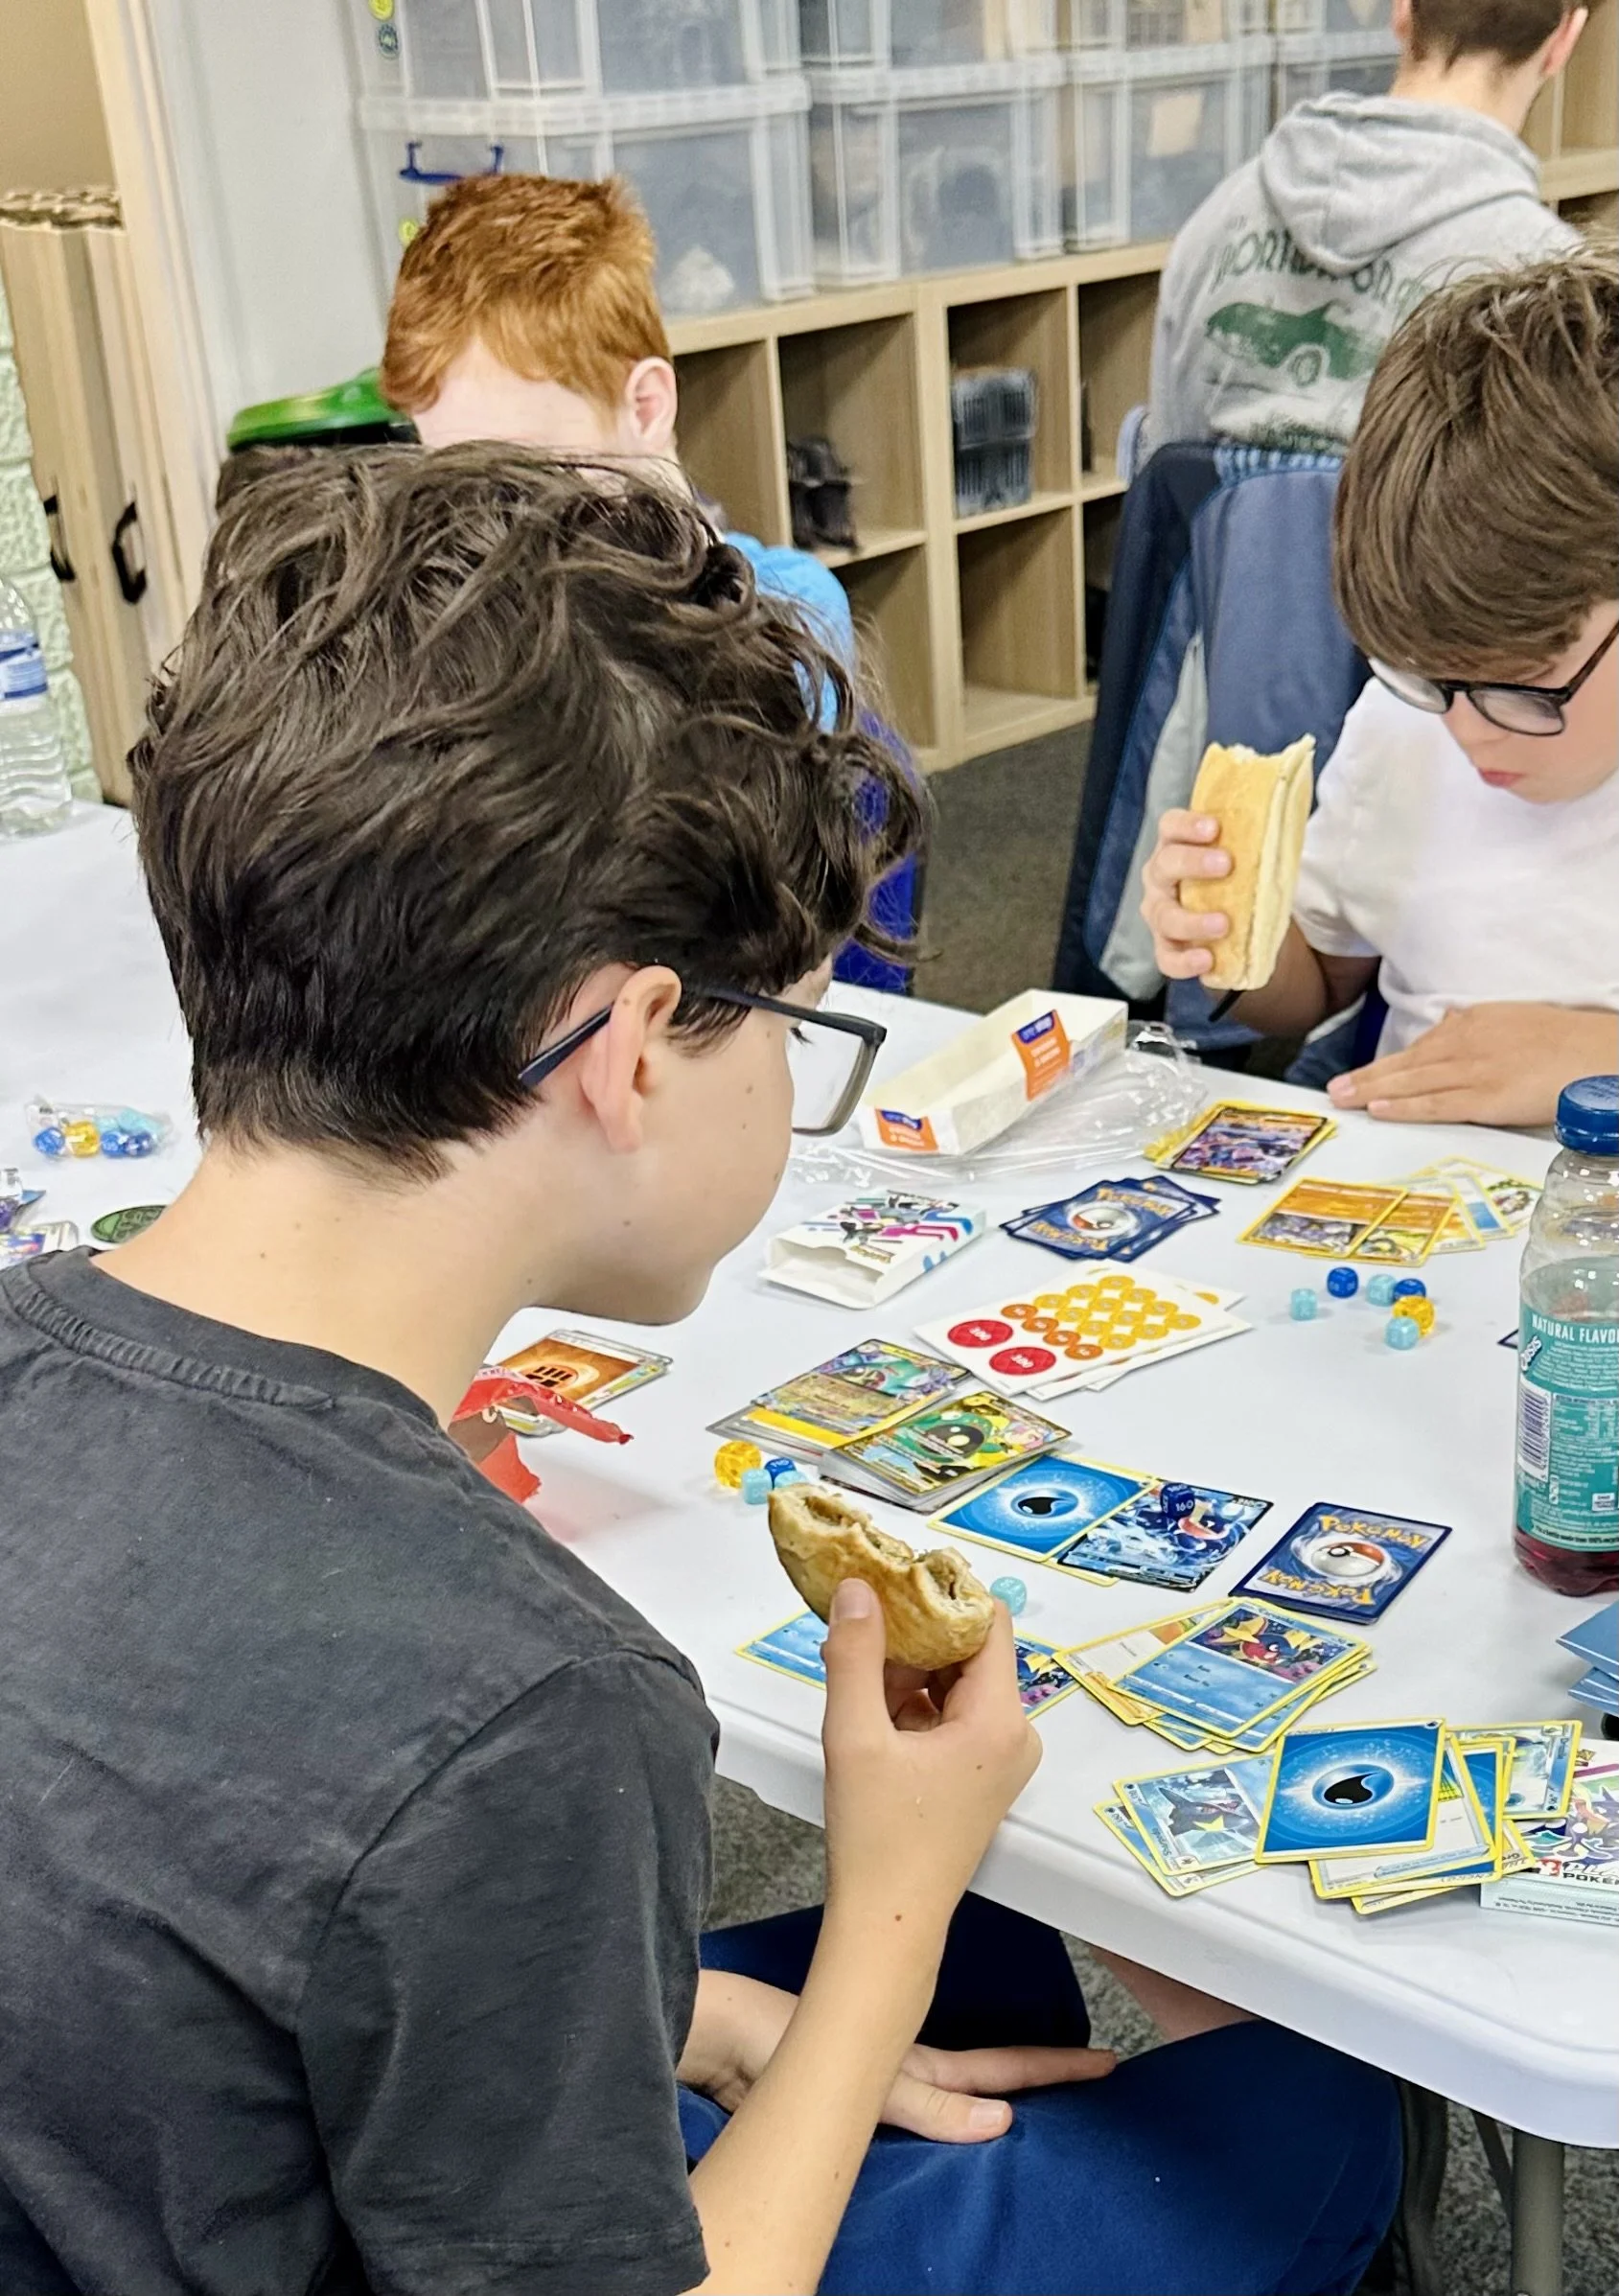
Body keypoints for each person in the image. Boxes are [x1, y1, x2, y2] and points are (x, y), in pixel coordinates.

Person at [0, 448, 1399, 2294]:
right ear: (634, 1049)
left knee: (978, 1972)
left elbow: (199, 1948)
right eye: (796, 1034)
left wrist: (712, 2022)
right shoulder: (527, 1696)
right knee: (1307, 2115)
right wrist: (889, 1905)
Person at [1141, 246, 1619, 1126]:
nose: (1467, 732)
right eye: (1428, 675)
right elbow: (1322, 980)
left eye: (1524, 687)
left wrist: (1596, 1056)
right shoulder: (1406, 723)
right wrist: (1229, 944)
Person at [378, 170, 855, 664]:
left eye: (518, 482)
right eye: (448, 485)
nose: (482, 525)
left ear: (646, 406)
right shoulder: (458, 630)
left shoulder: (790, 621)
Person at [1145, 0, 1584, 454]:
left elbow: (1161, 471)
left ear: (1401, 12)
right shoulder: (1563, 291)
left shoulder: (1220, 218)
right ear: (1563, 42)